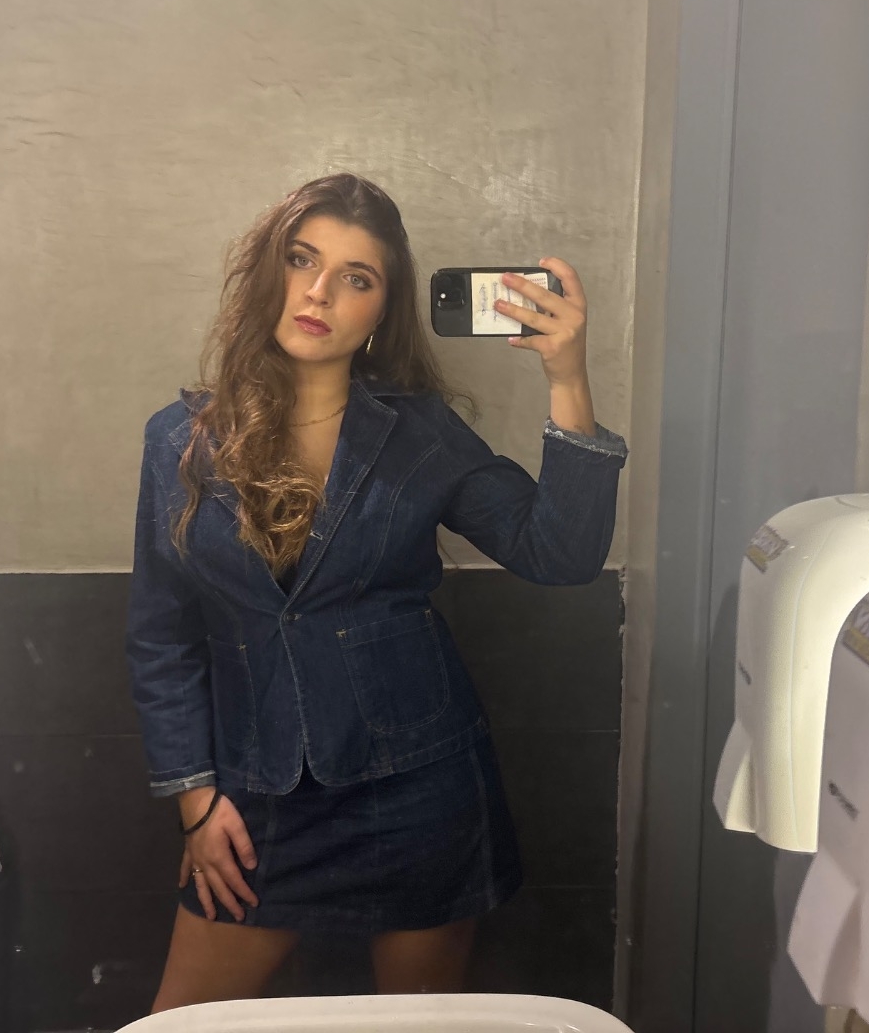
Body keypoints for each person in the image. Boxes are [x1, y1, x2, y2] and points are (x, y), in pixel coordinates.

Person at [126, 173, 628, 1011]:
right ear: (270, 272)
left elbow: (560, 553)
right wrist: (195, 800)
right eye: (302, 260)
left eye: (355, 277)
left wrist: (568, 378)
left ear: (380, 312)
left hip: (419, 790)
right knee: (183, 1026)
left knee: (416, 1029)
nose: (319, 291)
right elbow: (160, 636)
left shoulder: (420, 434)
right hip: (255, 799)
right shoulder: (181, 440)